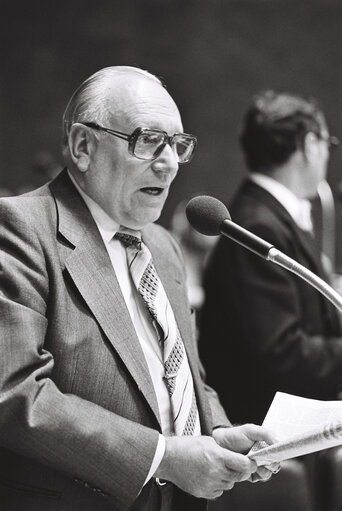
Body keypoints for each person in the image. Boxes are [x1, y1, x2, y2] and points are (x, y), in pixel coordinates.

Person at [0, 67, 278, 511]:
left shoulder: (164, 247)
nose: (168, 164)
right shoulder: (20, 229)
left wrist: (218, 431)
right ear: (82, 146)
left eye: (178, 145)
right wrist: (163, 457)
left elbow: (185, 378)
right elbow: (14, 394)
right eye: (148, 140)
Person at [198, 89, 342, 427]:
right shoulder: (259, 223)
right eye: (327, 144)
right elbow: (282, 352)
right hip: (267, 422)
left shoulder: (269, 214)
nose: (327, 154)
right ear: (308, 145)